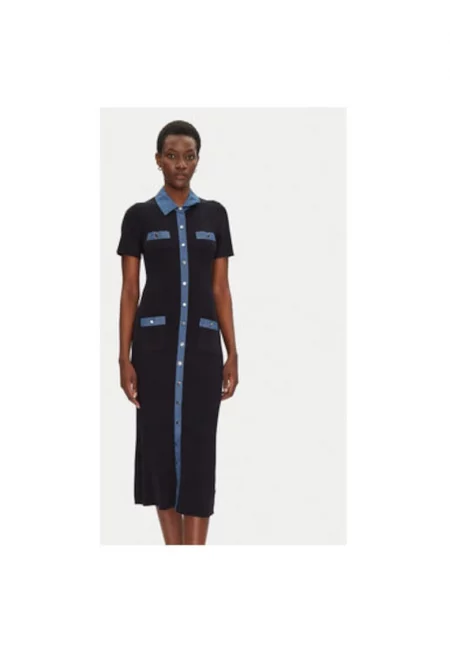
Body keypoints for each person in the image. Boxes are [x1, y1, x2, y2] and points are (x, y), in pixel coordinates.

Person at [116, 120, 238, 545]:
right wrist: (123, 358)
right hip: (153, 352)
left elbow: (220, 289)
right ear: (158, 160)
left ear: (198, 160)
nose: (180, 164)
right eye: (172, 156)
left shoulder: (215, 215)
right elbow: (129, 290)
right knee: (159, 450)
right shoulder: (139, 217)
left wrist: (233, 352)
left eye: (189, 156)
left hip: (204, 351)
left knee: (200, 450)